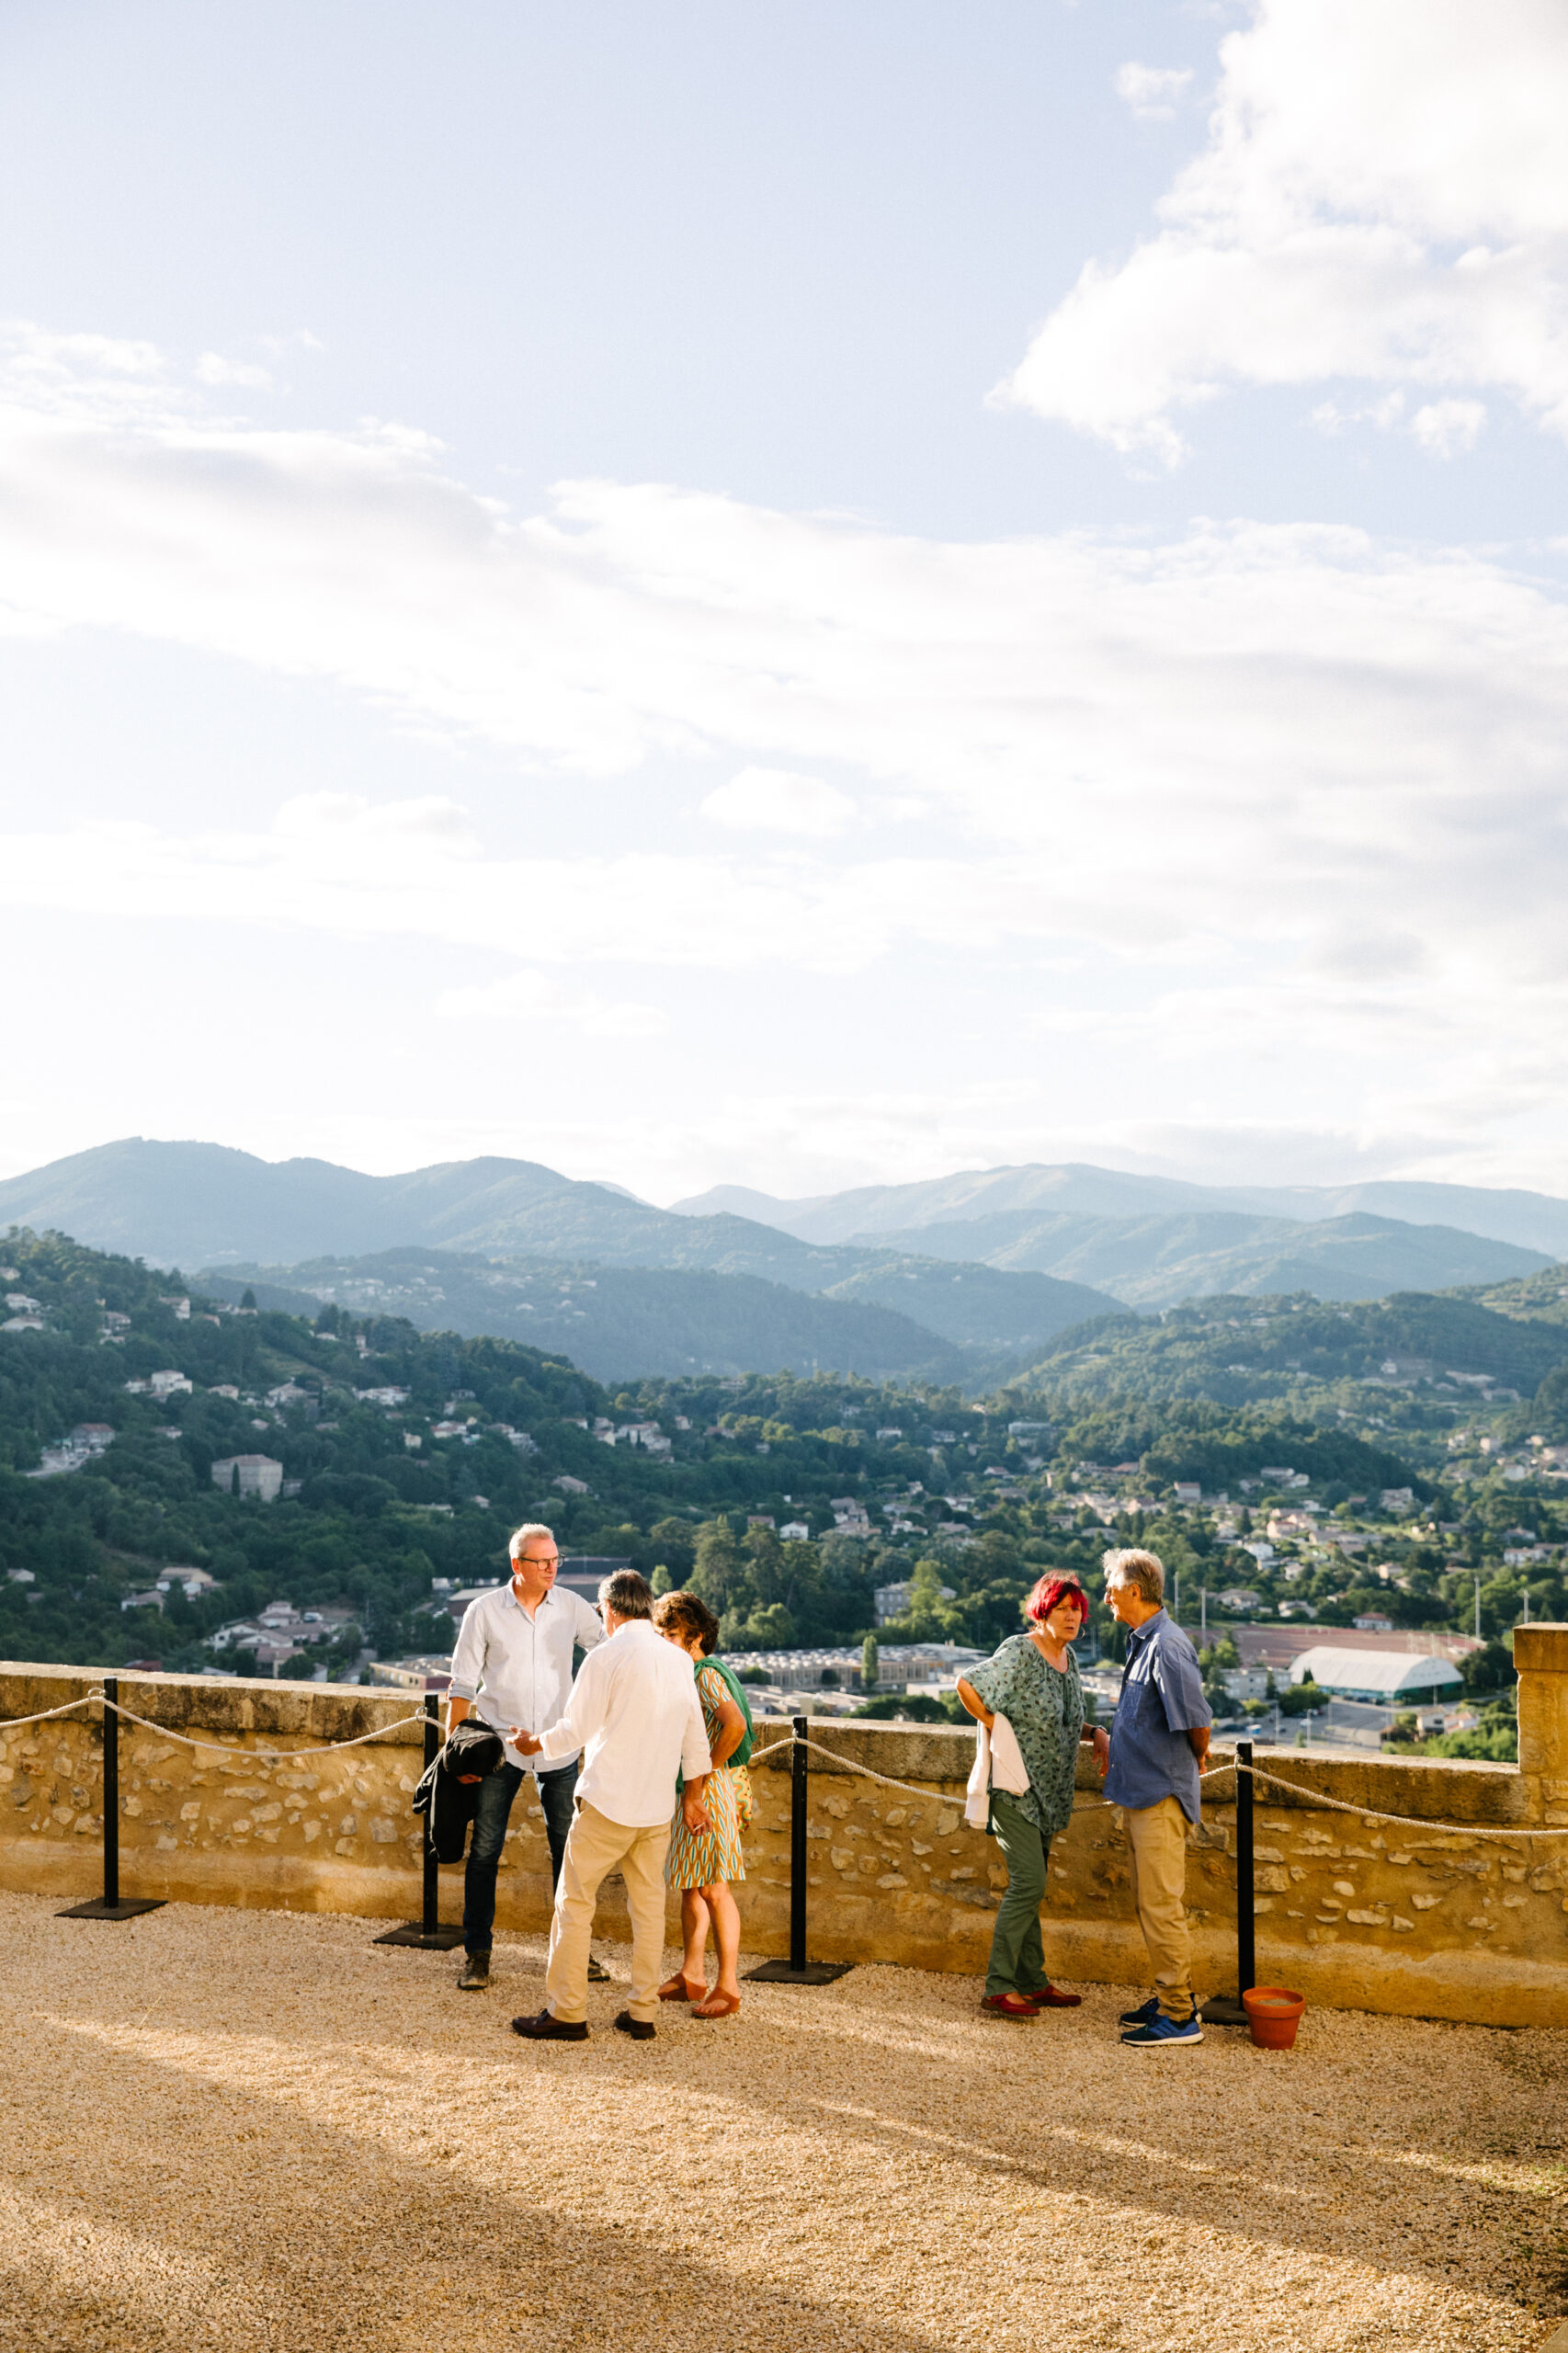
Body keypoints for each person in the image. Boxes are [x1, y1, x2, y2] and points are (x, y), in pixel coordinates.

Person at [509, 1569, 712, 2044]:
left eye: (602, 1612)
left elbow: (573, 1731)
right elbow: (695, 1741)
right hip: (657, 1807)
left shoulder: (605, 1656)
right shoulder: (679, 1660)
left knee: (574, 1905)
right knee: (648, 1911)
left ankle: (567, 2012)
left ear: (612, 1609)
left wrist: (532, 1742)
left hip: (607, 1802)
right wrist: (695, 1799)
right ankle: (642, 2013)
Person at [445, 1522, 608, 1993]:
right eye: (543, 1562)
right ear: (517, 1566)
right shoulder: (483, 1611)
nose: (553, 1569)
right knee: (485, 1851)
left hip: (559, 1746)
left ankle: (575, 1952)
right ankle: (478, 1956)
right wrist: (459, 1757)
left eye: (557, 1560)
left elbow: (606, 1655)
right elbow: (462, 1684)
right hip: (500, 1750)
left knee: (569, 1854)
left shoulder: (574, 1608)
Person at [956, 1574, 1107, 2020]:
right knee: (1029, 1883)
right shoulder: (1020, 1652)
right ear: (1042, 1610)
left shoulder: (1069, 1658)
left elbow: (1062, 1718)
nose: (1072, 1616)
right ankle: (999, 1987)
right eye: (1062, 1608)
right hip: (1015, 1787)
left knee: (1033, 1884)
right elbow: (967, 1684)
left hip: (1049, 1793)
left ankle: (1033, 1982)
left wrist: (1095, 1732)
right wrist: (994, 1725)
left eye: (1077, 1608)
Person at [1098, 1546, 1212, 2050]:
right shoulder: (1145, 1641)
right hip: (1144, 1792)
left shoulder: (1166, 1646)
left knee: (1161, 1905)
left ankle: (1179, 2015)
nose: (1105, 1597)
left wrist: (1195, 1760)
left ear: (1136, 1591)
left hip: (1160, 1795)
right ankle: (1170, 1994)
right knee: (1151, 1903)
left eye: (1112, 1588)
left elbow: (1197, 1722)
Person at [651, 1590, 752, 2020]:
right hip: (704, 1786)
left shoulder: (704, 1674)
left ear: (695, 1636)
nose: (664, 1642)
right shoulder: (701, 1672)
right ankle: (692, 1974)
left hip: (707, 1789)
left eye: (671, 1634)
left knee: (713, 1887)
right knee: (692, 1884)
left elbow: (735, 1726)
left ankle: (728, 1986)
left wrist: (704, 1773)